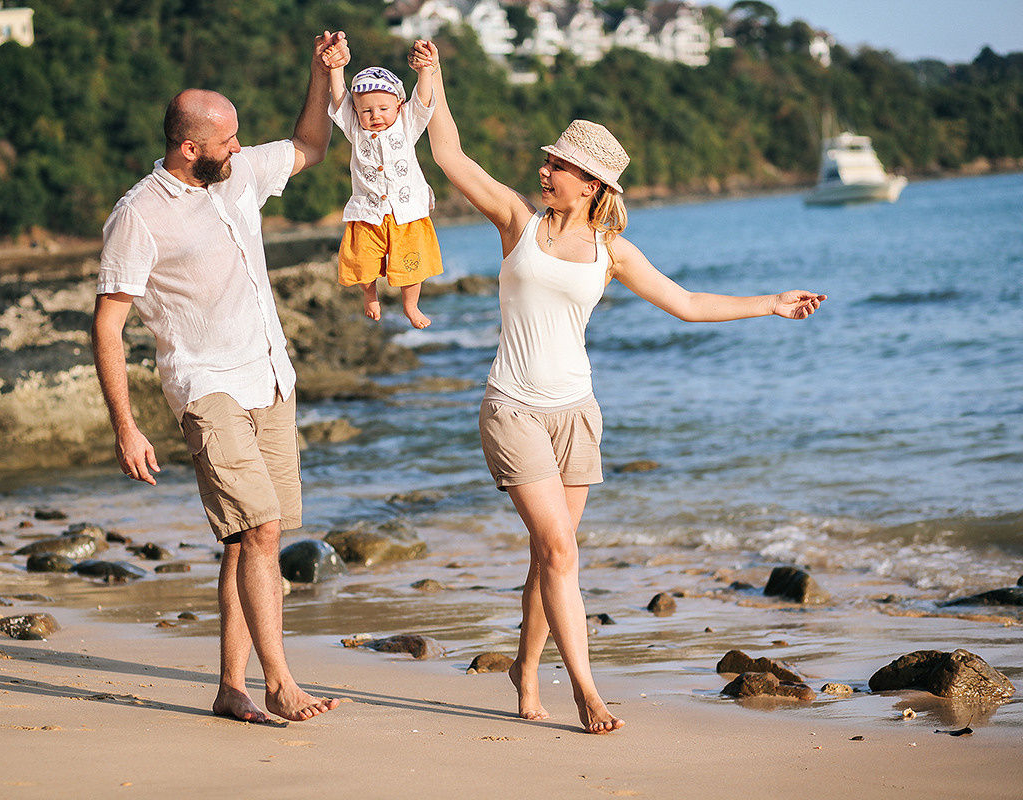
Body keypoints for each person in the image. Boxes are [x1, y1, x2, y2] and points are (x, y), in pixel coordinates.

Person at [413, 40, 825, 734]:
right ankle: (586, 691)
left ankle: (524, 672)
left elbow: (687, 303)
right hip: (512, 409)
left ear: (592, 185)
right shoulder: (518, 223)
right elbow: (451, 157)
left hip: (576, 414)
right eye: (548, 161)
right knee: (561, 551)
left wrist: (770, 303)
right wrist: (435, 80)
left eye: (560, 166)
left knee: (551, 554)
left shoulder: (613, 252)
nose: (545, 171)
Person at [91, 31, 352, 724]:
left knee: (246, 539)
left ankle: (231, 689)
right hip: (203, 384)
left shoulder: (235, 178)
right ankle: (279, 682)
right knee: (263, 531)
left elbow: (311, 144)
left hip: (268, 376)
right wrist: (127, 425)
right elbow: (108, 326)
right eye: (228, 139)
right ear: (189, 148)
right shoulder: (138, 216)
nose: (240, 147)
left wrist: (319, 73)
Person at [324, 42, 444, 328]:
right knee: (361, 261)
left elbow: (423, 100)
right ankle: (369, 295)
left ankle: (411, 306)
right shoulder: (355, 129)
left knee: (411, 264)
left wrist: (425, 72)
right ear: (357, 112)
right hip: (368, 212)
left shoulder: (407, 123)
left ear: (399, 105)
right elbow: (340, 99)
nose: (375, 116)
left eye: (382, 108)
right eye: (366, 111)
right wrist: (336, 68)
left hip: (407, 213)